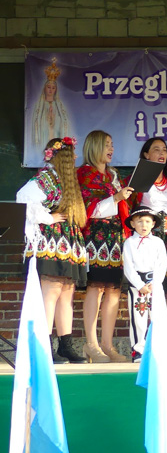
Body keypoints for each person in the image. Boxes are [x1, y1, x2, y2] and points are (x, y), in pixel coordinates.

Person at [16, 137, 88, 363]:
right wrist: (48, 218)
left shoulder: (65, 180)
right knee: (52, 290)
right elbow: (23, 199)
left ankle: (65, 344)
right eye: (72, 155)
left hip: (67, 239)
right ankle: (44, 345)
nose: (75, 158)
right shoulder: (45, 178)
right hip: (51, 240)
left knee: (67, 290)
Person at [77, 130, 134, 363]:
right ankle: (91, 345)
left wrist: (121, 198)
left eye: (112, 145)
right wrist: (117, 198)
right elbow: (90, 209)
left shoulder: (113, 174)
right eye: (106, 145)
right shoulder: (85, 173)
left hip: (116, 236)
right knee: (96, 287)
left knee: (113, 290)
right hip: (95, 236)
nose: (111, 149)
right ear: (94, 147)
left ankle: (107, 345)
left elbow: (118, 205)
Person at [133, 138, 167, 352]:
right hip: (149, 238)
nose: (161, 153)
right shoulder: (139, 178)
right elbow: (129, 206)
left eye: (164, 149)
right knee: (149, 289)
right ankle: (146, 343)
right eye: (156, 149)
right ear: (146, 154)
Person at [122, 205, 167, 363]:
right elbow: (128, 267)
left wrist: (155, 283)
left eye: (148, 221)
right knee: (138, 318)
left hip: (154, 283)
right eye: (140, 221)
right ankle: (138, 350)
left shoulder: (158, 242)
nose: (144, 225)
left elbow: (162, 264)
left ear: (153, 224)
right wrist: (140, 285)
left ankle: (157, 349)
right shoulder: (129, 243)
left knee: (156, 316)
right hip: (137, 285)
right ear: (133, 224)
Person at [31, 59, 71, 151]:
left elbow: (64, 122)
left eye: (53, 88)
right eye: (48, 87)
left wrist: (55, 120)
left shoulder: (59, 106)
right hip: (44, 134)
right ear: (45, 88)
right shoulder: (39, 105)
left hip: (55, 133)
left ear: (56, 90)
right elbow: (36, 122)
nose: (50, 90)